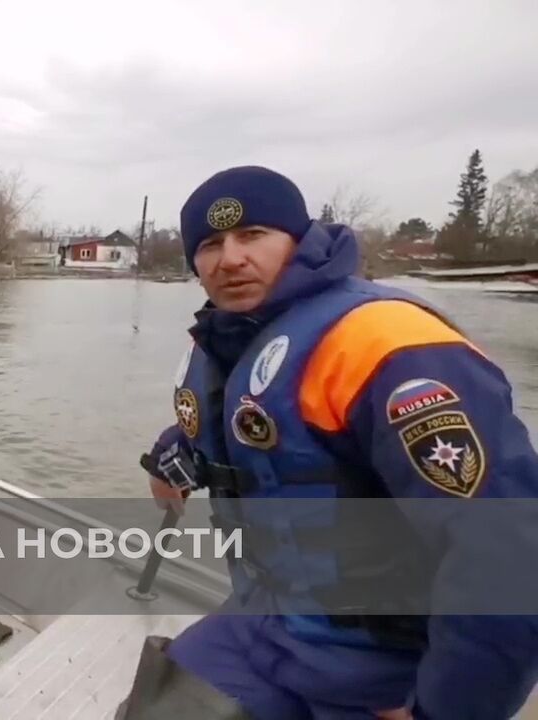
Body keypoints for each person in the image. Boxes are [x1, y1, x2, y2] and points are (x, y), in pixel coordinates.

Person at [140, 166, 538, 719]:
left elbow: (508, 554)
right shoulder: (229, 335)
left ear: (299, 240)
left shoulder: (392, 346)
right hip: (264, 626)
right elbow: (243, 429)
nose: (230, 258)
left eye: (253, 235)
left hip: (387, 666)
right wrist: (178, 454)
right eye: (209, 245)